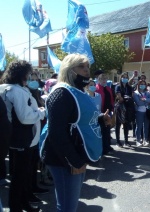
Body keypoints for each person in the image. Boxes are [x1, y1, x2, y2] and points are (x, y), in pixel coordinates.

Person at [39, 54, 111, 212]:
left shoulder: (77, 91)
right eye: (81, 67)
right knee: (67, 207)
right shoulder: (61, 94)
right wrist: (74, 161)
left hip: (75, 154)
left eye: (87, 67)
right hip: (63, 158)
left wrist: (100, 119)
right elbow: (57, 134)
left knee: (70, 204)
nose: (86, 71)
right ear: (69, 70)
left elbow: (79, 119)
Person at [0, 60, 46, 212]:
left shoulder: (4, 88)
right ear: (21, 74)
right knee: (20, 177)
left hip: (11, 138)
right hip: (22, 139)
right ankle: (17, 207)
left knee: (19, 175)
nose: (29, 76)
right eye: (27, 73)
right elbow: (25, 117)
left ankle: (23, 203)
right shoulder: (17, 91)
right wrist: (41, 112)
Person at [95, 70, 115, 155]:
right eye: (102, 79)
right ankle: (104, 148)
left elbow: (111, 99)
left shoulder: (108, 88)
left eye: (105, 79)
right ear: (99, 80)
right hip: (101, 112)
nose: (104, 81)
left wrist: (112, 109)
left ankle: (108, 145)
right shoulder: (97, 88)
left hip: (108, 111)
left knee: (107, 130)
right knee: (103, 130)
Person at [114, 73, 135, 147]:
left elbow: (131, 96)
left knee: (126, 124)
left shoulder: (129, 87)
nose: (125, 79)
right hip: (120, 107)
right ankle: (118, 141)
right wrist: (124, 98)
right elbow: (120, 98)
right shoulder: (118, 87)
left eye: (126, 77)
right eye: (123, 77)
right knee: (118, 124)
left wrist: (128, 98)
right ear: (121, 78)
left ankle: (126, 141)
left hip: (128, 107)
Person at [133, 80, 150, 147]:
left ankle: (145, 140)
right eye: (141, 84)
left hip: (147, 111)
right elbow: (138, 102)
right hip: (139, 111)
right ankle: (138, 140)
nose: (142, 85)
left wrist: (144, 100)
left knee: (146, 126)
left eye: (144, 84)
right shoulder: (135, 93)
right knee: (139, 126)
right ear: (138, 85)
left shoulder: (147, 92)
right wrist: (146, 101)